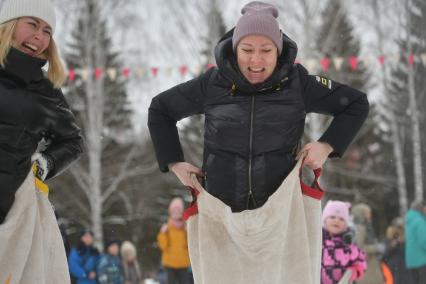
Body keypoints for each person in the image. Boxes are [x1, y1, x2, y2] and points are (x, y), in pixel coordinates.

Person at [148, 1, 369, 214]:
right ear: (235, 49)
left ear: (278, 50)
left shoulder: (298, 84)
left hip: (281, 214)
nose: (256, 60)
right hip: (221, 214)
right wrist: (174, 162)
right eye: (247, 50)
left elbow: (355, 103)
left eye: (266, 50)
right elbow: (161, 109)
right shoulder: (213, 84)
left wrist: (326, 145)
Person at [0, 0, 83, 224]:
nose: (40, 36)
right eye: (32, 24)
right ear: (9, 24)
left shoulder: (46, 90)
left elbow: (73, 141)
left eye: (47, 31)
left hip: (10, 221)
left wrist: (43, 165)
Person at [321, 200, 367, 283]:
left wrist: (355, 271)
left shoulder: (348, 244)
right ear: (324, 220)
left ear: (346, 224)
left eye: (341, 219)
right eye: (332, 217)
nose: (336, 220)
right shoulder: (319, 242)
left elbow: (361, 261)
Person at [157, 197, 190, 284]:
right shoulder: (167, 228)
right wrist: (162, 233)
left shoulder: (186, 227)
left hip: (183, 263)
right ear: (170, 212)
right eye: (174, 211)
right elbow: (163, 246)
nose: (176, 213)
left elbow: (189, 245)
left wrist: (188, 233)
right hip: (169, 263)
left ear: (181, 212)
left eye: (178, 210)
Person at [352, 203, 385, 284]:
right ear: (361, 214)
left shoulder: (366, 226)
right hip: (366, 270)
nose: (370, 215)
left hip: (370, 267)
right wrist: (376, 248)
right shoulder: (360, 227)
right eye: (368, 213)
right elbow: (359, 249)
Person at [381, 217, 413, 284]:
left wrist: (405, 242)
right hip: (392, 270)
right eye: (398, 227)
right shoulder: (388, 239)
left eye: (401, 228)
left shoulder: (409, 239)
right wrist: (394, 244)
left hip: (406, 271)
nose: (399, 230)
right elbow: (384, 255)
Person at [404, 200, 426, 283]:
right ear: (421, 209)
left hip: (411, 261)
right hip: (422, 260)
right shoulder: (419, 222)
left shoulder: (409, 221)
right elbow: (424, 241)